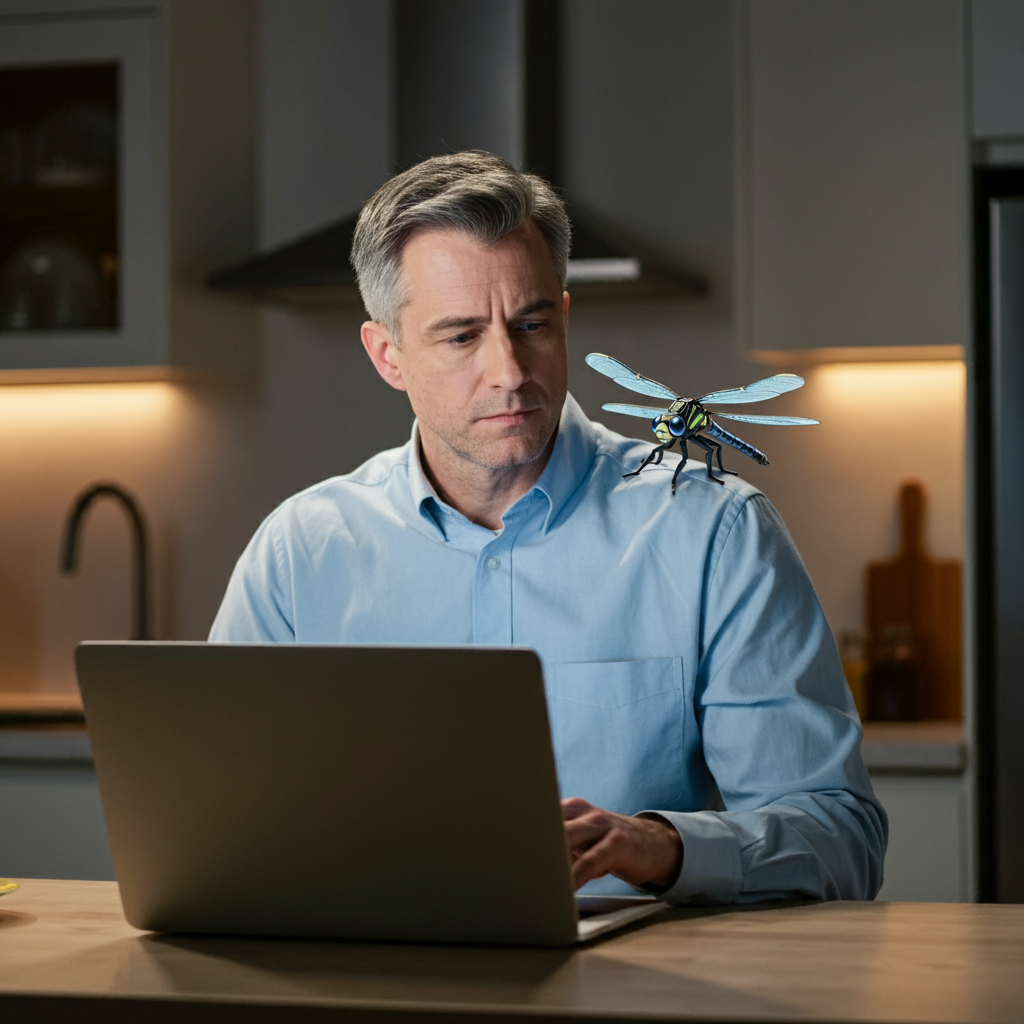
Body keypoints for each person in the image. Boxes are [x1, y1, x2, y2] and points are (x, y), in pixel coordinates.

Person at [210, 150, 887, 902]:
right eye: (461, 336)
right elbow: (217, 826)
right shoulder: (298, 555)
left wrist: (660, 846)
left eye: (530, 323)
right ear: (387, 355)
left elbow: (840, 840)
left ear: (562, 318)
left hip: (636, 995)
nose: (509, 370)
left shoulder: (714, 534)